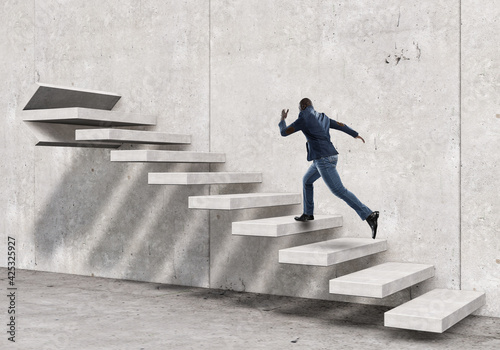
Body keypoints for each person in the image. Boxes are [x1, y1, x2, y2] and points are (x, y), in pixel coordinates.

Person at [279, 98, 379, 239]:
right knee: (307, 181)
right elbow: (340, 125)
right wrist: (355, 134)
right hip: (328, 157)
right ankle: (308, 213)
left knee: (339, 191)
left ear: (302, 106)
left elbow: (284, 132)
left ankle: (369, 214)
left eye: (299, 108)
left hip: (323, 159)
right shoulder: (323, 117)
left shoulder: (303, 118)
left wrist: (282, 119)